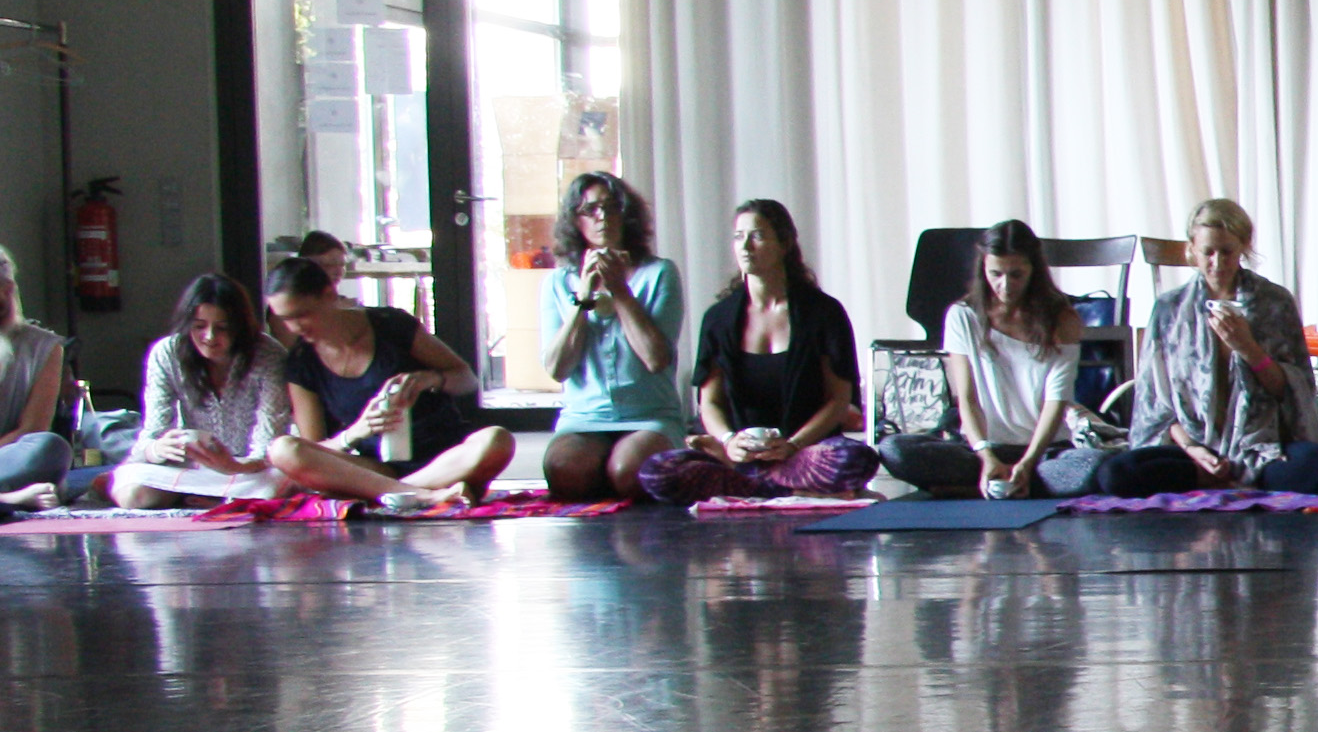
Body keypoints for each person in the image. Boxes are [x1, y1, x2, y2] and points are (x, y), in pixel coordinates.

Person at [1094, 198, 1318, 497]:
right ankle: (1206, 475)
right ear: (1192, 248)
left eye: (1227, 252)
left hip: (1261, 446)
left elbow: (1295, 391)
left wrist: (1248, 347)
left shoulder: (1275, 302)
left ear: (1244, 247)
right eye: (1208, 252)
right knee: (1114, 474)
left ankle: (1235, 476)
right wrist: (1193, 449)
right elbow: (1158, 405)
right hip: (1192, 449)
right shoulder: (1169, 308)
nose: (1217, 262)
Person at [638, 200, 880, 505]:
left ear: (785, 244)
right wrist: (728, 441)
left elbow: (838, 400)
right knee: (655, 472)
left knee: (857, 459)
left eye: (758, 236)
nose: (745, 246)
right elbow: (709, 402)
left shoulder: (823, 313)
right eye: (738, 237)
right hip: (740, 455)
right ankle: (784, 487)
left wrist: (792, 445)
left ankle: (754, 486)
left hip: (802, 451)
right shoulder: (719, 318)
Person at [261, 258, 515, 507]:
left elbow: (466, 379)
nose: (294, 328)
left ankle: (394, 494)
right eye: (285, 319)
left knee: (497, 439)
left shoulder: (390, 324)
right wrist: (355, 433)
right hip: (379, 467)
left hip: (446, 457)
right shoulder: (302, 362)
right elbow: (316, 448)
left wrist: (430, 379)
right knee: (283, 450)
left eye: (302, 315)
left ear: (329, 295)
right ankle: (421, 495)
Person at [876, 220, 1102, 498]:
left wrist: (1028, 461)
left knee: (1095, 466)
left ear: (1034, 271)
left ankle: (995, 483)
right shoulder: (963, 316)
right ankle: (999, 477)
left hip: (1044, 451)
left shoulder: (1062, 319)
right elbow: (967, 398)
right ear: (983, 269)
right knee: (894, 449)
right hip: (982, 449)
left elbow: (1055, 401)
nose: (1005, 285)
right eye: (996, 274)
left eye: (1016, 275)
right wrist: (985, 455)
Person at [536, 170, 687, 500]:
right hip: (584, 418)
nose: (602, 216)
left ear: (626, 214)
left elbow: (656, 359)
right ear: (575, 221)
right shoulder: (557, 283)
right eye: (590, 209)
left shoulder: (659, 273)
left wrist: (620, 290)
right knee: (565, 471)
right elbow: (556, 369)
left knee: (627, 472)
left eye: (610, 207)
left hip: (649, 416)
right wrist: (583, 299)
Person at [108, 274, 291, 506]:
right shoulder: (167, 353)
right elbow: (151, 434)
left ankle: (204, 498)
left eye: (222, 328)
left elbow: (269, 444)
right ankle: (207, 498)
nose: (210, 337)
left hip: (251, 469)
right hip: (193, 466)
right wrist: (156, 449)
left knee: (273, 489)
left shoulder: (268, 355)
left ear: (240, 327)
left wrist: (233, 465)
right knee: (133, 495)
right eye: (199, 326)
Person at [0, 247, 76, 501]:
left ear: (7, 290)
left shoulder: (44, 347)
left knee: (50, 448)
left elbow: (32, 429)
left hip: (5, 457)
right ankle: (10, 499)